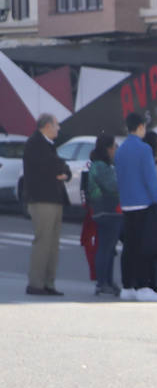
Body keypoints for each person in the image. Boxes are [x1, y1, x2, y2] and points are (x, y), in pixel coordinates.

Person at [115, 112, 157, 302]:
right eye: (144, 126)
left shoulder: (120, 149)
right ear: (139, 127)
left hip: (127, 204)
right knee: (145, 247)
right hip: (144, 204)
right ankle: (143, 287)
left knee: (129, 247)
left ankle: (127, 286)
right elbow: (150, 179)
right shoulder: (144, 149)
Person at [22, 112, 71, 296]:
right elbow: (52, 165)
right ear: (48, 126)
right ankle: (36, 283)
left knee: (53, 244)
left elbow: (62, 167)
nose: (59, 128)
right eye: (56, 124)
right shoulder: (35, 143)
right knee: (43, 242)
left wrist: (64, 171)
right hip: (42, 199)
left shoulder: (49, 144)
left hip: (54, 198)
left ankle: (48, 283)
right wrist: (61, 169)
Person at [87, 134, 122, 296]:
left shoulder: (99, 164)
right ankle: (102, 282)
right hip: (107, 210)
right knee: (105, 247)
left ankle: (107, 281)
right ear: (107, 149)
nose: (116, 150)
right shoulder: (101, 166)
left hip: (103, 210)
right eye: (114, 147)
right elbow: (113, 186)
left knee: (108, 247)